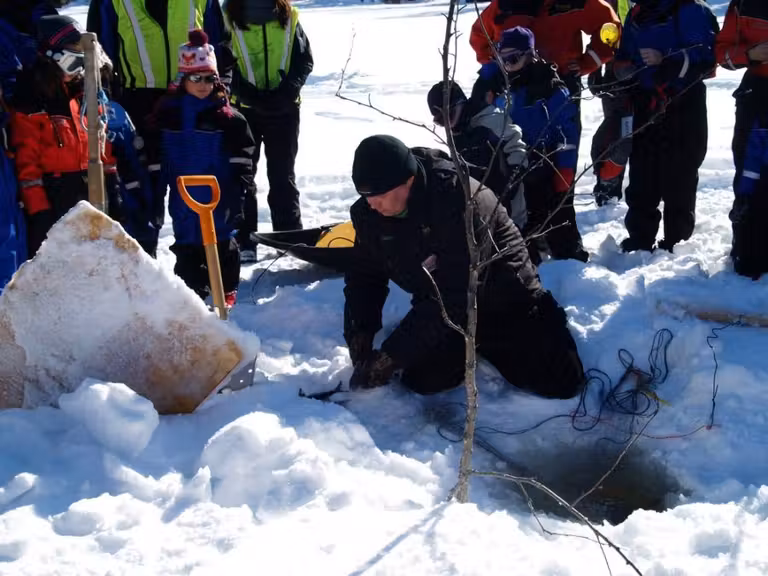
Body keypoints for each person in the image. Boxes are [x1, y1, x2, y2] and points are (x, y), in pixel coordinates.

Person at [343, 134, 585, 399]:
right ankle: (464, 345)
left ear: (408, 181)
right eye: (366, 197)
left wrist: (392, 354)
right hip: (442, 305)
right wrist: (360, 330)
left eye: (379, 197)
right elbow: (364, 275)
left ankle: (513, 335)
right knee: (422, 378)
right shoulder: (369, 214)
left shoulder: (458, 198)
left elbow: (455, 293)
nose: (371, 205)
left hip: (502, 295)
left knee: (561, 381)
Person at [87, 0, 229, 256]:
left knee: (195, 186)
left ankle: (199, 264)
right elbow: (99, 56)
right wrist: (108, 102)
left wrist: (220, 90)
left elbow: (220, 46)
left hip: (192, 99)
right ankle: (144, 262)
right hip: (138, 104)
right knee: (142, 189)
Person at [146, 30, 256, 309]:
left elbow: (244, 154)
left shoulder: (227, 117)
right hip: (183, 193)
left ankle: (226, 288)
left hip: (221, 192)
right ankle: (191, 291)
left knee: (222, 240)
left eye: (210, 78)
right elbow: (155, 151)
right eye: (196, 78)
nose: (204, 85)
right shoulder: (167, 113)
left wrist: (238, 189)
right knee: (188, 241)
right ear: (183, 79)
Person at [469, 0, 620, 193]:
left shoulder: (576, 3)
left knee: (561, 164)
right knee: (511, 164)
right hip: (513, 89)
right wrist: (497, 68)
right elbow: (479, 36)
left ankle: (561, 207)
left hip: (561, 86)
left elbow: (610, 28)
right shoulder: (505, 4)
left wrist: (589, 61)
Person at [10, 15, 122, 257]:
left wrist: (111, 180)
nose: (79, 72)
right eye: (73, 63)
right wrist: (39, 211)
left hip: (89, 188)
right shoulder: (31, 99)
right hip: (55, 194)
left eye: (84, 65)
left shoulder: (86, 94)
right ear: (52, 58)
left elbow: (102, 140)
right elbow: (26, 162)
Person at [615, 0, 718, 253]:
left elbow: (707, 55)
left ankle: (677, 241)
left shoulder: (692, 9)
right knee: (641, 173)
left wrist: (666, 60)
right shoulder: (639, 11)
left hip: (683, 101)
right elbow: (625, 52)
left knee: (680, 174)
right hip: (645, 102)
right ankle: (640, 238)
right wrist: (621, 70)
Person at [478, 27, 588, 263]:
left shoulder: (549, 88)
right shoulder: (497, 83)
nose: (507, 63)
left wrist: (564, 172)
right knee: (515, 216)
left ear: (530, 55)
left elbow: (567, 133)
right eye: (502, 57)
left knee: (557, 213)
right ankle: (527, 252)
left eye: (514, 58)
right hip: (510, 161)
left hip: (544, 160)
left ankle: (569, 259)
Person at [222, 0, 314, 257]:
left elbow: (304, 60)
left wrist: (286, 92)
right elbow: (221, 61)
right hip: (242, 110)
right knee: (243, 174)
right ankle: (243, 238)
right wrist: (249, 96)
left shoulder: (289, 15)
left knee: (282, 174)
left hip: (284, 110)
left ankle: (289, 235)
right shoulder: (227, 16)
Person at [426, 79, 528, 230]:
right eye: (441, 121)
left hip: (509, 197)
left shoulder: (489, 120)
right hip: (484, 201)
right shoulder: (458, 132)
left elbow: (516, 146)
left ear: (460, 104)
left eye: (449, 115)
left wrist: (513, 175)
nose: (447, 123)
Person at [716, 0, 768, 279]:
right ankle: (748, 249)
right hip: (757, 96)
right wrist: (751, 53)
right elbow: (721, 52)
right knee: (750, 177)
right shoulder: (745, 3)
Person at [588, 0, 633, 206]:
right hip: (613, 75)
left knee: (627, 135)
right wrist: (594, 69)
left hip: (640, 71)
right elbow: (599, 29)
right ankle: (608, 186)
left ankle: (611, 185)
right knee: (613, 133)